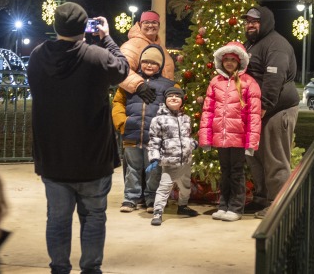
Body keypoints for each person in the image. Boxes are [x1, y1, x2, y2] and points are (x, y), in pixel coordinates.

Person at [27, 2, 130, 274]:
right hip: (93, 156)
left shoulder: (38, 56)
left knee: (57, 219)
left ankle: (59, 268)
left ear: (56, 26)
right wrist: (106, 37)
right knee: (94, 216)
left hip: (53, 156)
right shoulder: (96, 56)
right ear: (84, 28)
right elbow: (122, 68)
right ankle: (91, 268)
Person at [242, 6, 300, 219]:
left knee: (275, 158)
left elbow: (274, 79)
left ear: (265, 22)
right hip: (258, 111)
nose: (250, 24)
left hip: (277, 110)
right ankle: (262, 199)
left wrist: (263, 106)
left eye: (255, 21)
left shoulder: (276, 45)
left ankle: (279, 205)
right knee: (256, 157)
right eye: (247, 21)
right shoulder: (253, 44)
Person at [199, 41, 262, 222]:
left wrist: (251, 142)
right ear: (221, 61)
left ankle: (236, 207)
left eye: (232, 60)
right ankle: (223, 205)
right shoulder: (215, 82)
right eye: (225, 59)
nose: (228, 63)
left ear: (239, 62)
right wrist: (205, 138)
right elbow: (208, 111)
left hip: (238, 138)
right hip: (221, 137)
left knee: (236, 172)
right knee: (225, 171)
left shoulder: (249, 83)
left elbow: (254, 115)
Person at [111, 44, 173, 212]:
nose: (149, 65)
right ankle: (130, 198)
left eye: (153, 62)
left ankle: (151, 199)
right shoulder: (129, 83)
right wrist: (122, 122)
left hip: (154, 137)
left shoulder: (168, 85)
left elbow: (175, 107)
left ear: (159, 65)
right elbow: (118, 103)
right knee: (132, 168)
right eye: (145, 62)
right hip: (132, 132)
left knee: (153, 169)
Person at [146, 86, 199, 226]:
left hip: (186, 160)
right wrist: (154, 157)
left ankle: (183, 206)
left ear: (182, 101)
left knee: (185, 186)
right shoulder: (158, 120)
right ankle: (158, 211)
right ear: (165, 100)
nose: (174, 98)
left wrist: (193, 144)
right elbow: (154, 140)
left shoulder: (186, 118)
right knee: (165, 187)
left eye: (177, 96)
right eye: (171, 96)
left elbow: (186, 137)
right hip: (170, 161)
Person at [119, 11, 175, 104]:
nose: (150, 25)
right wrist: (139, 85)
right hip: (139, 103)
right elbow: (119, 69)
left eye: (154, 22)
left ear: (159, 25)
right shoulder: (132, 45)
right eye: (146, 22)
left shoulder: (161, 47)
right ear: (141, 25)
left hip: (159, 105)